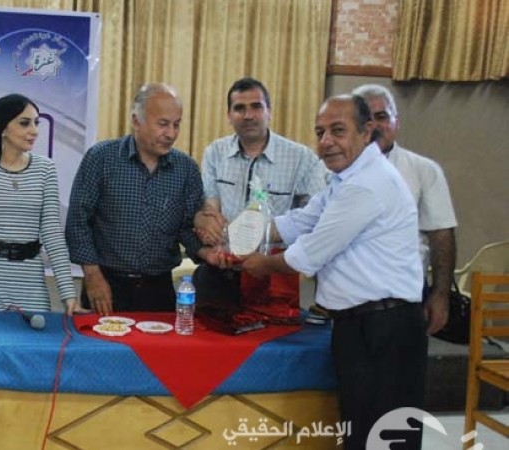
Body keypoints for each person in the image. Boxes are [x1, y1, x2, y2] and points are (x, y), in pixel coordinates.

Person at [240, 95, 426, 450]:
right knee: (359, 433)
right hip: (357, 326)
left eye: (337, 131)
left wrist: (261, 264)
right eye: (320, 132)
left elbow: (309, 253)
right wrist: (239, 234)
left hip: (387, 328)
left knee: (388, 439)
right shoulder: (344, 181)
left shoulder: (367, 184)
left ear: (366, 132)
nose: (325, 141)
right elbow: (300, 220)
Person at [65, 83, 211, 315]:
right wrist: (92, 276)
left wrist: (208, 253)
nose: (171, 134)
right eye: (162, 124)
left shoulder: (186, 169)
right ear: (136, 121)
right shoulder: (101, 158)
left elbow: (187, 228)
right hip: (106, 284)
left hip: (159, 290)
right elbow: (78, 222)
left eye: (176, 124)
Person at [193, 77, 327, 304]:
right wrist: (209, 226)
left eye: (256, 107)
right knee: (208, 324)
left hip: (272, 273)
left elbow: (317, 214)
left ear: (269, 112)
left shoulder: (301, 158)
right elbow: (210, 206)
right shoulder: (215, 152)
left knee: (271, 329)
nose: (248, 115)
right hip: (223, 265)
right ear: (229, 115)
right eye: (239, 108)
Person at [0, 94, 80, 315]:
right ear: (3, 128)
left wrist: (69, 296)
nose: (34, 131)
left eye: (36, 123)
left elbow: (52, 235)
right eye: (24, 123)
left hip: (31, 284)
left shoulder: (45, 169)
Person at [352, 84, 457, 335]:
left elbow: (441, 235)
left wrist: (440, 295)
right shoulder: (334, 170)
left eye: (382, 116)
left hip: (403, 297)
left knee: (403, 361)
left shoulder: (423, 170)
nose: (374, 126)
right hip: (348, 296)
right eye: (366, 118)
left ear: (396, 122)